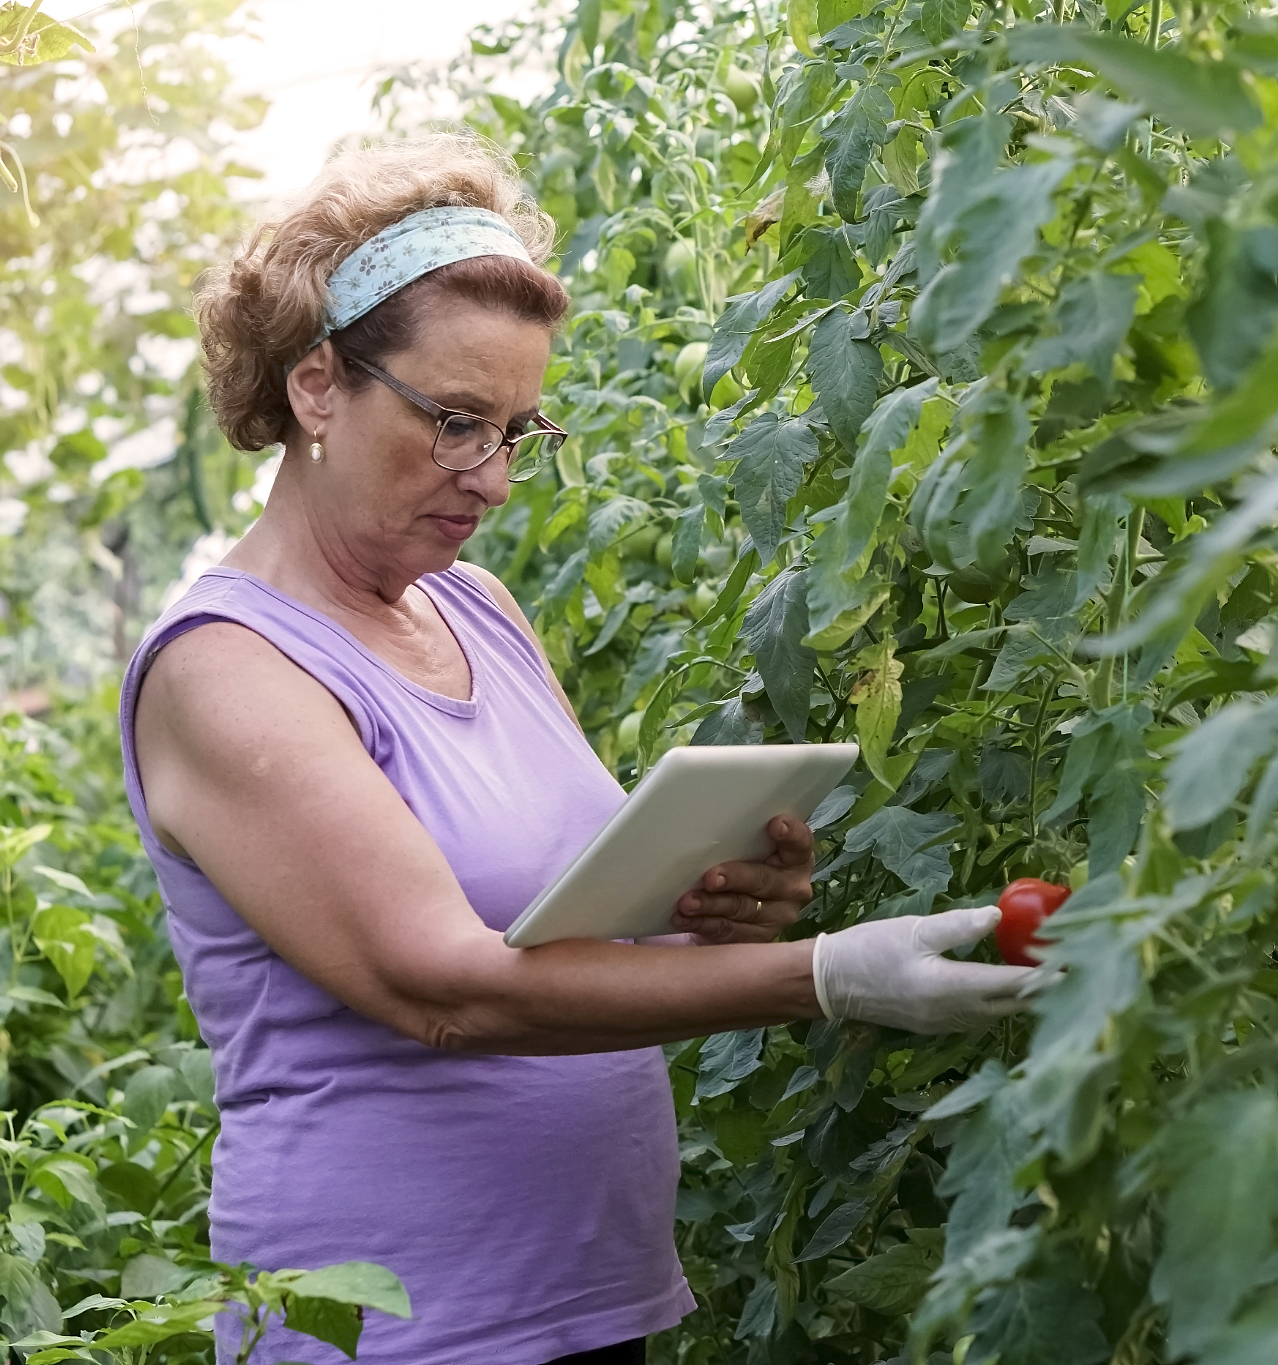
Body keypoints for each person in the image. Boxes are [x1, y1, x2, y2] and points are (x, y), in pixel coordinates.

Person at [117, 134, 1038, 1365]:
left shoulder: (477, 612)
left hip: (589, 1292)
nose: (491, 479)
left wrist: (707, 906)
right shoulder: (228, 666)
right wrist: (821, 977)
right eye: (454, 423)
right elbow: (442, 987)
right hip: (392, 1325)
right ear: (319, 385)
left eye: (514, 431)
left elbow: (559, 926)